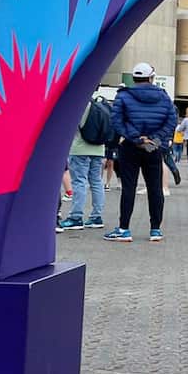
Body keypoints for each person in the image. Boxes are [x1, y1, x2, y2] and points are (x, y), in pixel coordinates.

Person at [104, 62, 177, 243]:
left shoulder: (123, 96)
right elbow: (171, 121)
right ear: (151, 77)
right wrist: (155, 140)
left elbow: (117, 121)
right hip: (153, 147)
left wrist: (137, 138)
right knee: (155, 188)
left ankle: (124, 229)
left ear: (133, 78)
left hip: (130, 146)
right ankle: (155, 229)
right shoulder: (164, 97)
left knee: (128, 187)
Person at [56, 97, 106, 231]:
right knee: (96, 181)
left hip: (79, 148)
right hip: (99, 148)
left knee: (79, 181)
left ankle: (76, 217)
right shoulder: (99, 106)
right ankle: (96, 216)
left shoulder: (79, 105)